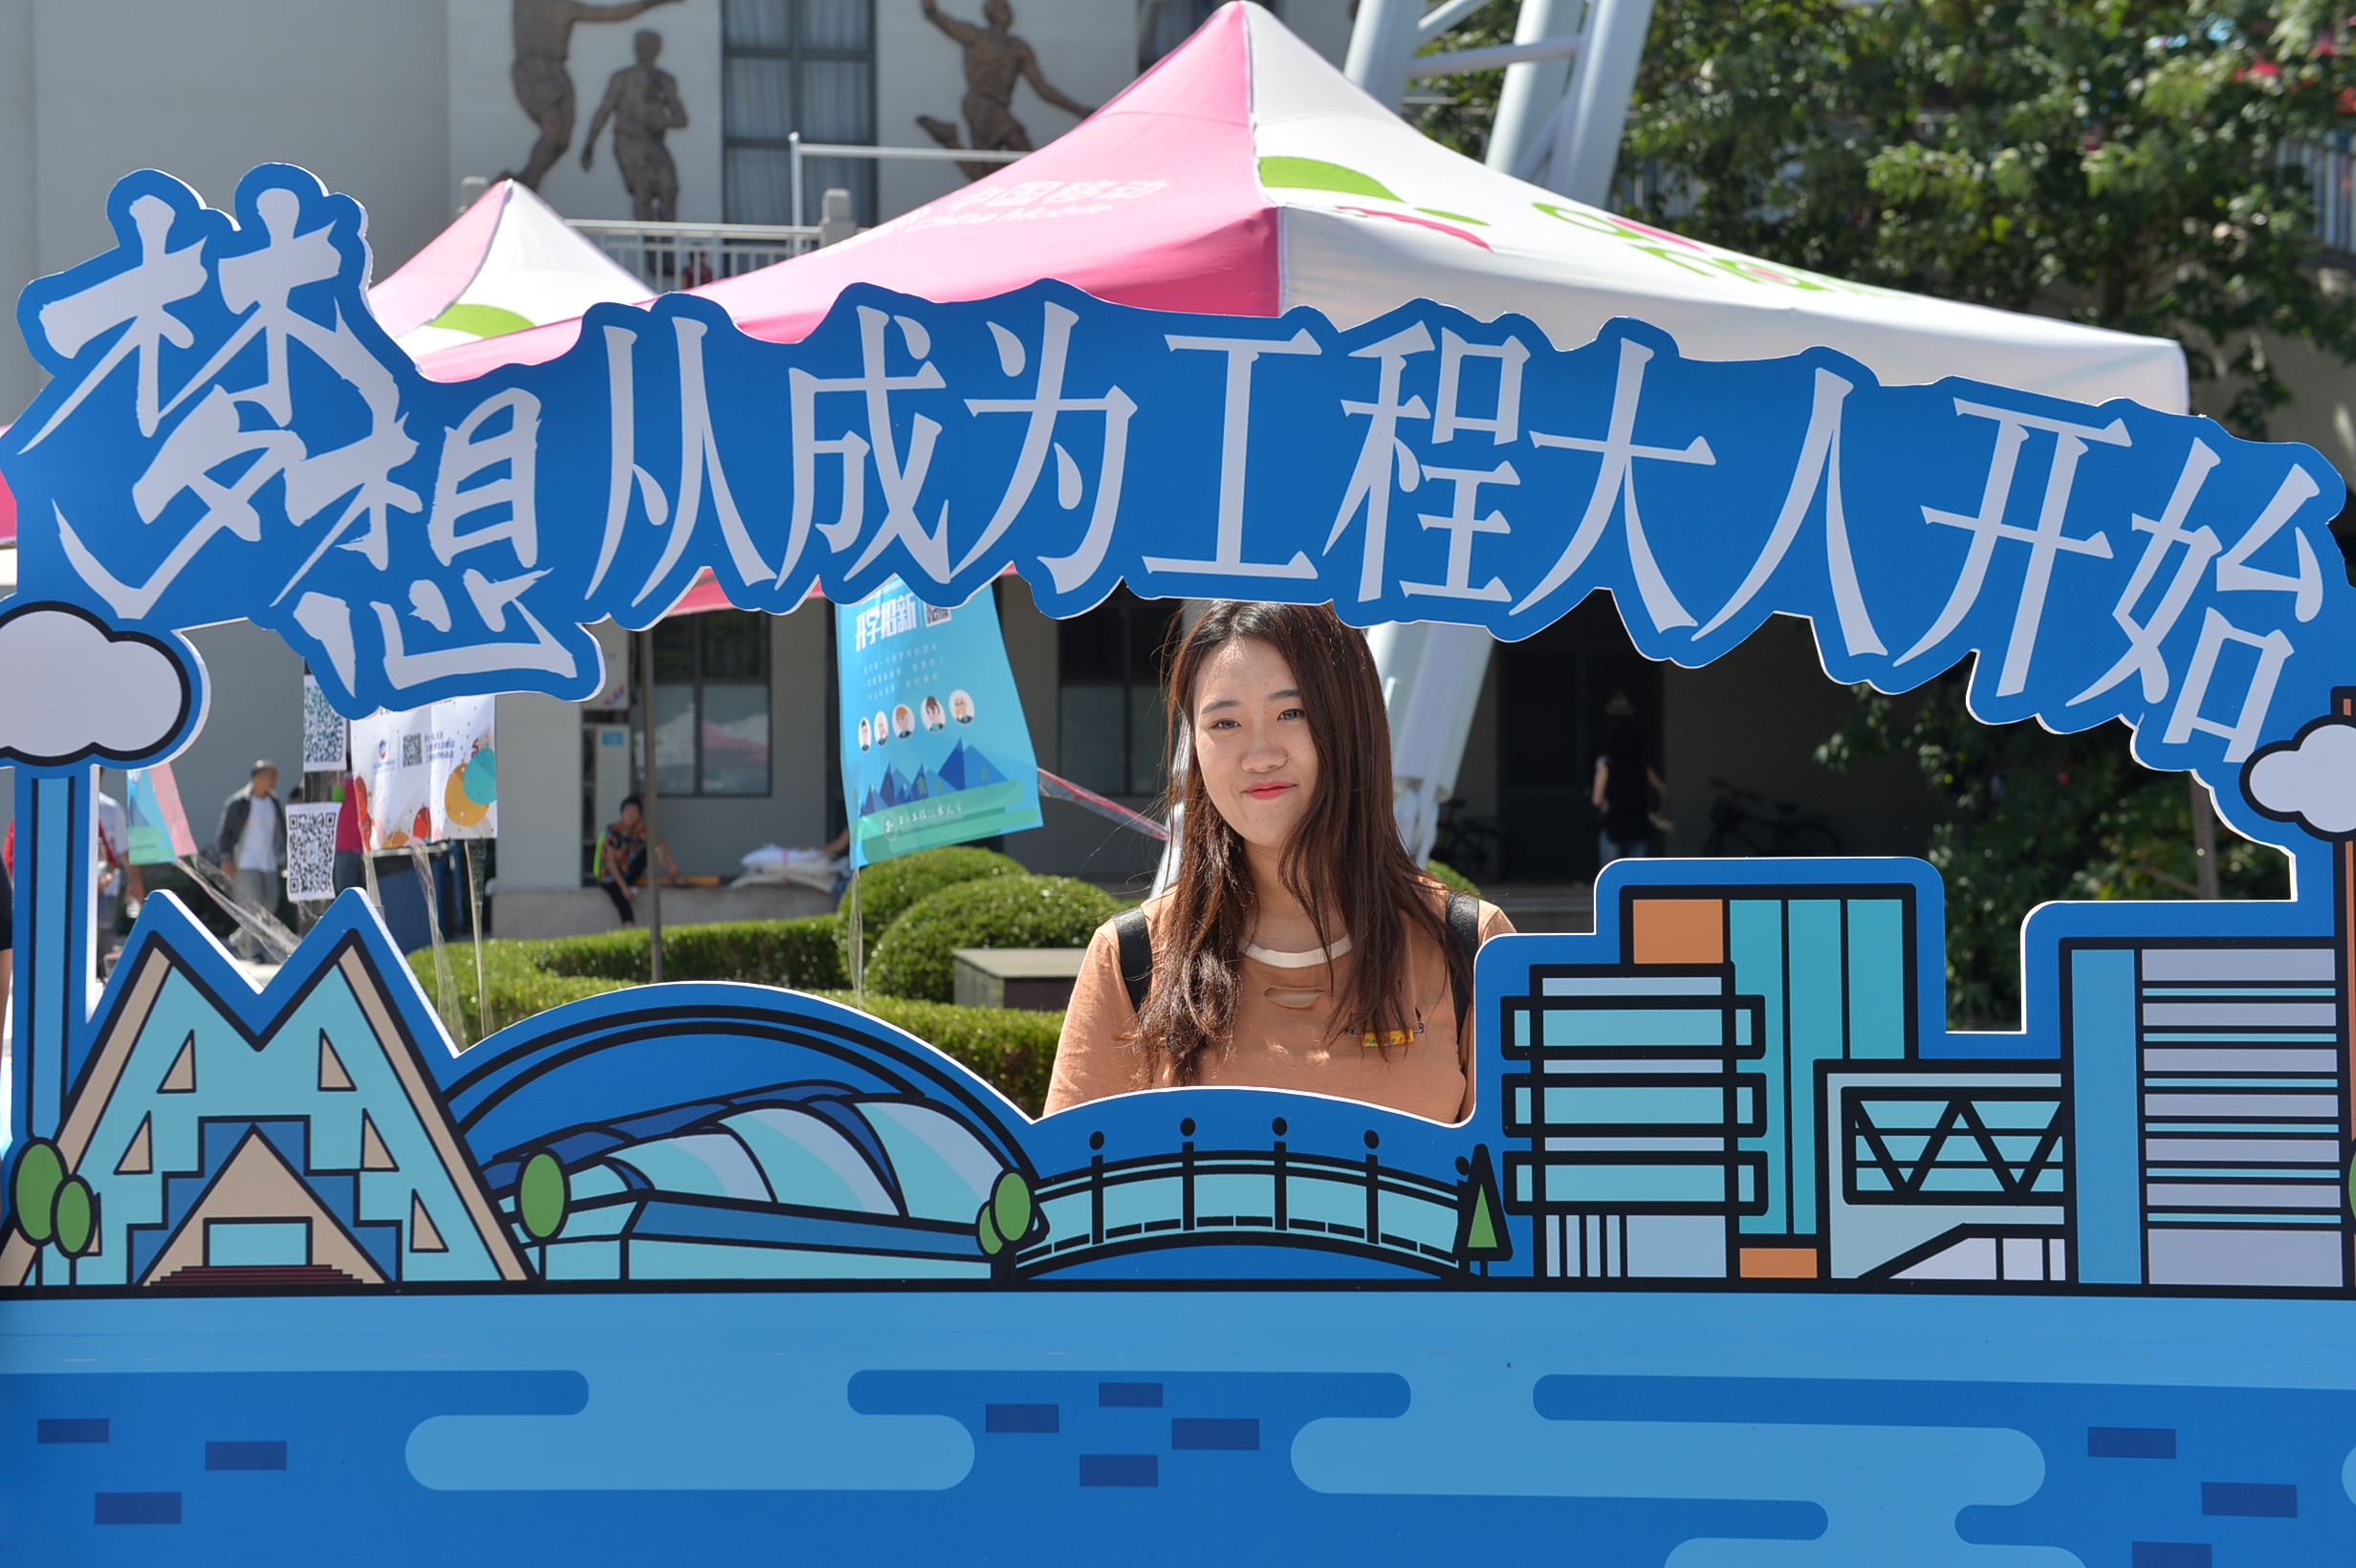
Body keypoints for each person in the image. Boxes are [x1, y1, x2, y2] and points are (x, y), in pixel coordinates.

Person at [1047, 602, 1514, 1124]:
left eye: (1292, 713)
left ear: (1354, 724)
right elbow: (1076, 1172)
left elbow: (1520, 1165)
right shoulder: (1132, 958)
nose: (1260, 755)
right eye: (1225, 722)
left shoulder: (1472, 947)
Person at [507, 0, 683, 190]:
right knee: (554, 129)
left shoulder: (565, 7)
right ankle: (526, 184)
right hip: (533, 70)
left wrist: (651, 3)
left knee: (563, 140)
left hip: (556, 72)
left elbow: (613, 13)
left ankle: (524, 180)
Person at [581, 29, 687, 222]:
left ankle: (666, 239)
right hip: (629, 141)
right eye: (641, 45)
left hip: (654, 143)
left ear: (657, 49)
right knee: (643, 191)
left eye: (649, 46)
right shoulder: (622, 79)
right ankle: (648, 241)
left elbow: (681, 118)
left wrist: (663, 122)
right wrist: (589, 145)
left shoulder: (664, 81)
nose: (644, 50)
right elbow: (604, 111)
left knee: (669, 188)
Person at [215, 761, 286, 960]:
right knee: (255, 907)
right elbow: (225, 832)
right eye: (271, 776)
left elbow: (282, 831)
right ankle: (255, 951)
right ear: (258, 778)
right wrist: (226, 858)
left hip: (269, 861)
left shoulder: (274, 802)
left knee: (270, 904)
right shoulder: (239, 802)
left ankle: (241, 937)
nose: (274, 781)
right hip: (246, 861)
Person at [595, 795, 681, 925]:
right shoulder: (613, 831)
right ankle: (629, 927)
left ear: (639, 815)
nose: (631, 815)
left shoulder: (637, 830)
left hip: (628, 872)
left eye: (635, 812)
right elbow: (610, 863)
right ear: (622, 813)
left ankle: (672, 875)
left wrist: (670, 865)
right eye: (628, 811)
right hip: (610, 877)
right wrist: (624, 888)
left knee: (651, 849)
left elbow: (659, 842)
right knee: (621, 900)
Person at [1591, 721, 1669, 864]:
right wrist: (1661, 812)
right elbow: (1664, 790)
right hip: (1639, 827)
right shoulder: (1642, 767)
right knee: (1637, 875)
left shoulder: (1606, 767)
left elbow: (1597, 800)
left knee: (1612, 874)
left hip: (1614, 827)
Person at [94, 787, 143, 970]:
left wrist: (135, 882)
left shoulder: (110, 809)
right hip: (71, 894)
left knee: (103, 946)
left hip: (104, 891)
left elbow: (118, 853)